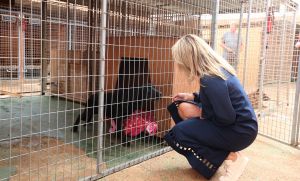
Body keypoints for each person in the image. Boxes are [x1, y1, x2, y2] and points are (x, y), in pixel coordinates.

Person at [164, 34, 258, 181]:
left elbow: (226, 118)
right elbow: (214, 98)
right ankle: (217, 157)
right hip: (241, 126)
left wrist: (204, 116)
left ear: (188, 58)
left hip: (240, 131)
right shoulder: (214, 71)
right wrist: (192, 97)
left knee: (178, 133)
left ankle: (233, 159)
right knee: (179, 108)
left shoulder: (211, 78)